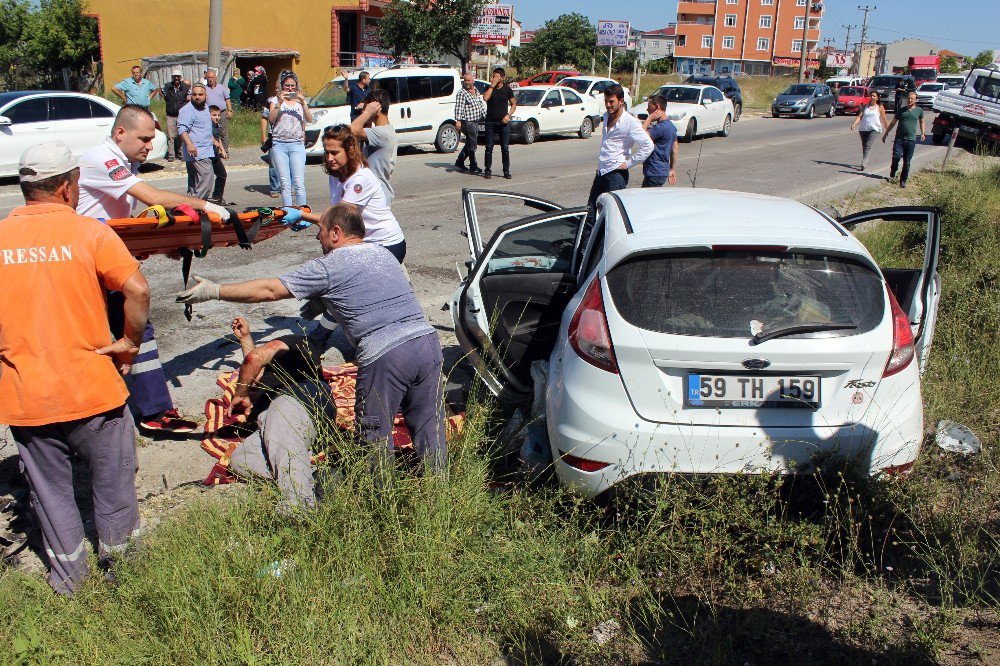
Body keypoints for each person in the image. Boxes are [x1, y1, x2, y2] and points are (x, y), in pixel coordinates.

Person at [176, 203, 447, 476]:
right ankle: (441, 494)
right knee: (430, 427)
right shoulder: (383, 254)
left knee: (374, 434)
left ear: (336, 232)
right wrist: (325, 301)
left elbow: (270, 290)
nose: (317, 237)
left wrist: (216, 291)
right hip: (427, 343)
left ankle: (379, 501)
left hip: (387, 355)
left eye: (321, 230)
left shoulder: (329, 266)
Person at [0, 141, 151, 594]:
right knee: (114, 486)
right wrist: (127, 345)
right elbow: (138, 290)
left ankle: (70, 581)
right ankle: (127, 576)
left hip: (29, 395)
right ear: (68, 186)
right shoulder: (90, 233)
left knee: (52, 494)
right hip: (93, 390)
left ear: (26, 188)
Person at [77, 105, 228, 433]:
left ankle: (150, 411)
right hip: (83, 266)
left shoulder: (121, 161)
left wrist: (161, 246)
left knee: (133, 327)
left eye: (152, 139)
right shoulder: (102, 159)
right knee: (111, 332)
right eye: (143, 138)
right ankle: (122, 415)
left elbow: (121, 225)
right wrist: (205, 205)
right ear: (120, 133)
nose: (149, 145)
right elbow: (151, 197)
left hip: (101, 259)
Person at [226, 317, 332, 514]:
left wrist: (240, 393)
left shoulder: (298, 346)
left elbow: (255, 359)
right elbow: (253, 367)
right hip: (272, 416)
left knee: (284, 438)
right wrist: (245, 338)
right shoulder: (266, 384)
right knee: (241, 460)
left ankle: (299, 509)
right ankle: (317, 478)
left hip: (297, 400)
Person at [306, 126, 406, 263]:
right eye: (327, 152)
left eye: (335, 153)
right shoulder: (336, 174)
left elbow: (341, 217)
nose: (329, 158)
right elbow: (334, 213)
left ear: (350, 150)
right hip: (363, 243)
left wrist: (301, 216)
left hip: (385, 244)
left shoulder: (360, 178)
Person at [586, 84, 653, 225]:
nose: (608, 105)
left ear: (621, 101)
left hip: (616, 174)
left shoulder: (629, 122)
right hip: (602, 171)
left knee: (613, 218)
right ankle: (587, 247)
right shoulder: (606, 117)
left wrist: (628, 164)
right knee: (591, 213)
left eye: (611, 102)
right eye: (606, 101)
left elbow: (648, 145)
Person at [268, 72, 312, 207]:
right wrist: (280, 103)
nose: (290, 88)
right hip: (279, 144)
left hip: (297, 144)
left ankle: (302, 211)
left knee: (299, 181)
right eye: (287, 86)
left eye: (293, 85)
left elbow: (309, 119)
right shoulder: (275, 101)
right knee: (285, 181)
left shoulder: (300, 102)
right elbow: (271, 119)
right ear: (282, 86)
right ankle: (287, 210)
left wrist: (303, 102)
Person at [349, 88, 398, 203]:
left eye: (367, 107)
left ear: (377, 108)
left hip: (377, 196)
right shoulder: (381, 131)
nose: (363, 110)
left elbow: (351, 130)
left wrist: (367, 113)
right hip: (372, 193)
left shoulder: (382, 133)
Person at [178, 84, 216, 199]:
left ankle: (189, 207)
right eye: (194, 94)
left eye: (200, 94)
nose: (197, 97)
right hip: (197, 151)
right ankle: (196, 204)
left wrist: (214, 140)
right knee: (207, 177)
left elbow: (204, 128)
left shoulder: (205, 108)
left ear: (206, 96)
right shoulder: (187, 110)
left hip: (205, 148)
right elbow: (182, 129)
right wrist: (190, 145)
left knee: (195, 181)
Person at [882, 91, 925, 189]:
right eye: (908, 98)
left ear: (915, 100)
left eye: (911, 99)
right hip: (899, 139)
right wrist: (886, 133)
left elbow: (922, 121)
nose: (909, 100)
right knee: (896, 156)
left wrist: (923, 133)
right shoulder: (901, 110)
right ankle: (893, 170)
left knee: (907, 162)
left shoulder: (919, 110)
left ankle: (903, 180)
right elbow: (893, 123)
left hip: (911, 140)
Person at [481, 67, 516, 179]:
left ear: (502, 77)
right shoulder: (489, 88)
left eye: (496, 76)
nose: (493, 78)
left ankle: (506, 170)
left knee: (505, 148)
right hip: (490, 121)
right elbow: (485, 98)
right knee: (489, 147)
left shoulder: (507, 89)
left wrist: (508, 115)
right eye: (493, 75)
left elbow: (514, 104)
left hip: (503, 123)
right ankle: (487, 170)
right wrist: (492, 86)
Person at [640, 94, 678, 188]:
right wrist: (672, 169)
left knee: (646, 200)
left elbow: (641, 136)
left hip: (654, 171)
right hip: (662, 171)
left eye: (649, 106)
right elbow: (675, 149)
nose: (647, 109)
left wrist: (649, 119)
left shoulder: (660, 128)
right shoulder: (671, 127)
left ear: (657, 107)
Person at [453, 72, 486, 175]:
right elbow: (459, 107)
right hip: (467, 122)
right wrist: (458, 121)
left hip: (475, 121)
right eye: (465, 80)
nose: (466, 82)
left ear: (473, 81)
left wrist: (486, 116)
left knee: (469, 143)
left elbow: (480, 105)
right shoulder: (462, 93)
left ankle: (460, 161)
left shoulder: (476, 91)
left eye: (468, 80)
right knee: (473, 144)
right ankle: (473, 166)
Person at [850, 90, 889, 171]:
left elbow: (884, 119)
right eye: (871, 96)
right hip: (863, 129)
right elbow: (860, 117)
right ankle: (866, 160)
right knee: (864, 146)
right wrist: (854, 124)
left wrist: (887, 129)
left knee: (868, 145)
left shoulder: (880, 107)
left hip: (875, 129)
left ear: (877, 98)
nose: (872, 97)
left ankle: (864, 162)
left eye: (874, 96)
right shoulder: (865, 106)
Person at [162, 68, 191, 162]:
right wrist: (168, 101)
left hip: (182, 115)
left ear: (180, 77)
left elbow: (189, 99)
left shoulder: (185, 87)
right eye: (174, 76)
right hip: (170, 114)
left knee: (182, 135)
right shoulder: (167, 86)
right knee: (170, 136)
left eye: (178, 76)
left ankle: (181, 153)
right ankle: (171, 154)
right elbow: (161, 91)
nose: (176, 78)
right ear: (172, 77)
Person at [204, 68, 233, 153]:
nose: (211, 79)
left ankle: (225, 151)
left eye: (212, 77)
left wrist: (230, 110)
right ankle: (214, 151)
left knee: (223, 132)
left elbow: (227, 99)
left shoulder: (221, 87)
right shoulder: (204, 89)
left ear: (216, 78)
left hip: (222, 113)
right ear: (206, 78)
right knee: (211, 132)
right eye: (209, 77)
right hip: (209, 114)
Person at [209, 105, 229, 204]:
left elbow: (218, 138)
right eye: (214, 115)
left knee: (222, 175)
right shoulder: (207, 125)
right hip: (207, 154)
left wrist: (223, 150)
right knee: (206, 178)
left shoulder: (216, 125)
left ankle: (217, 197)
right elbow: (206, 135)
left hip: (215, 154)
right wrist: (212, 140)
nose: (217, 117)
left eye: (218, 115)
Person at [261, 102, 281, 199]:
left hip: (288, 138)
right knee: (273, 164)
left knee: (290, 164)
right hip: (274, 136)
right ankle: (274, 188)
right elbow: (264, 118)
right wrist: (264, 136)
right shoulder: (271, 101)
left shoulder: (294, 100)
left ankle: (287, 188)